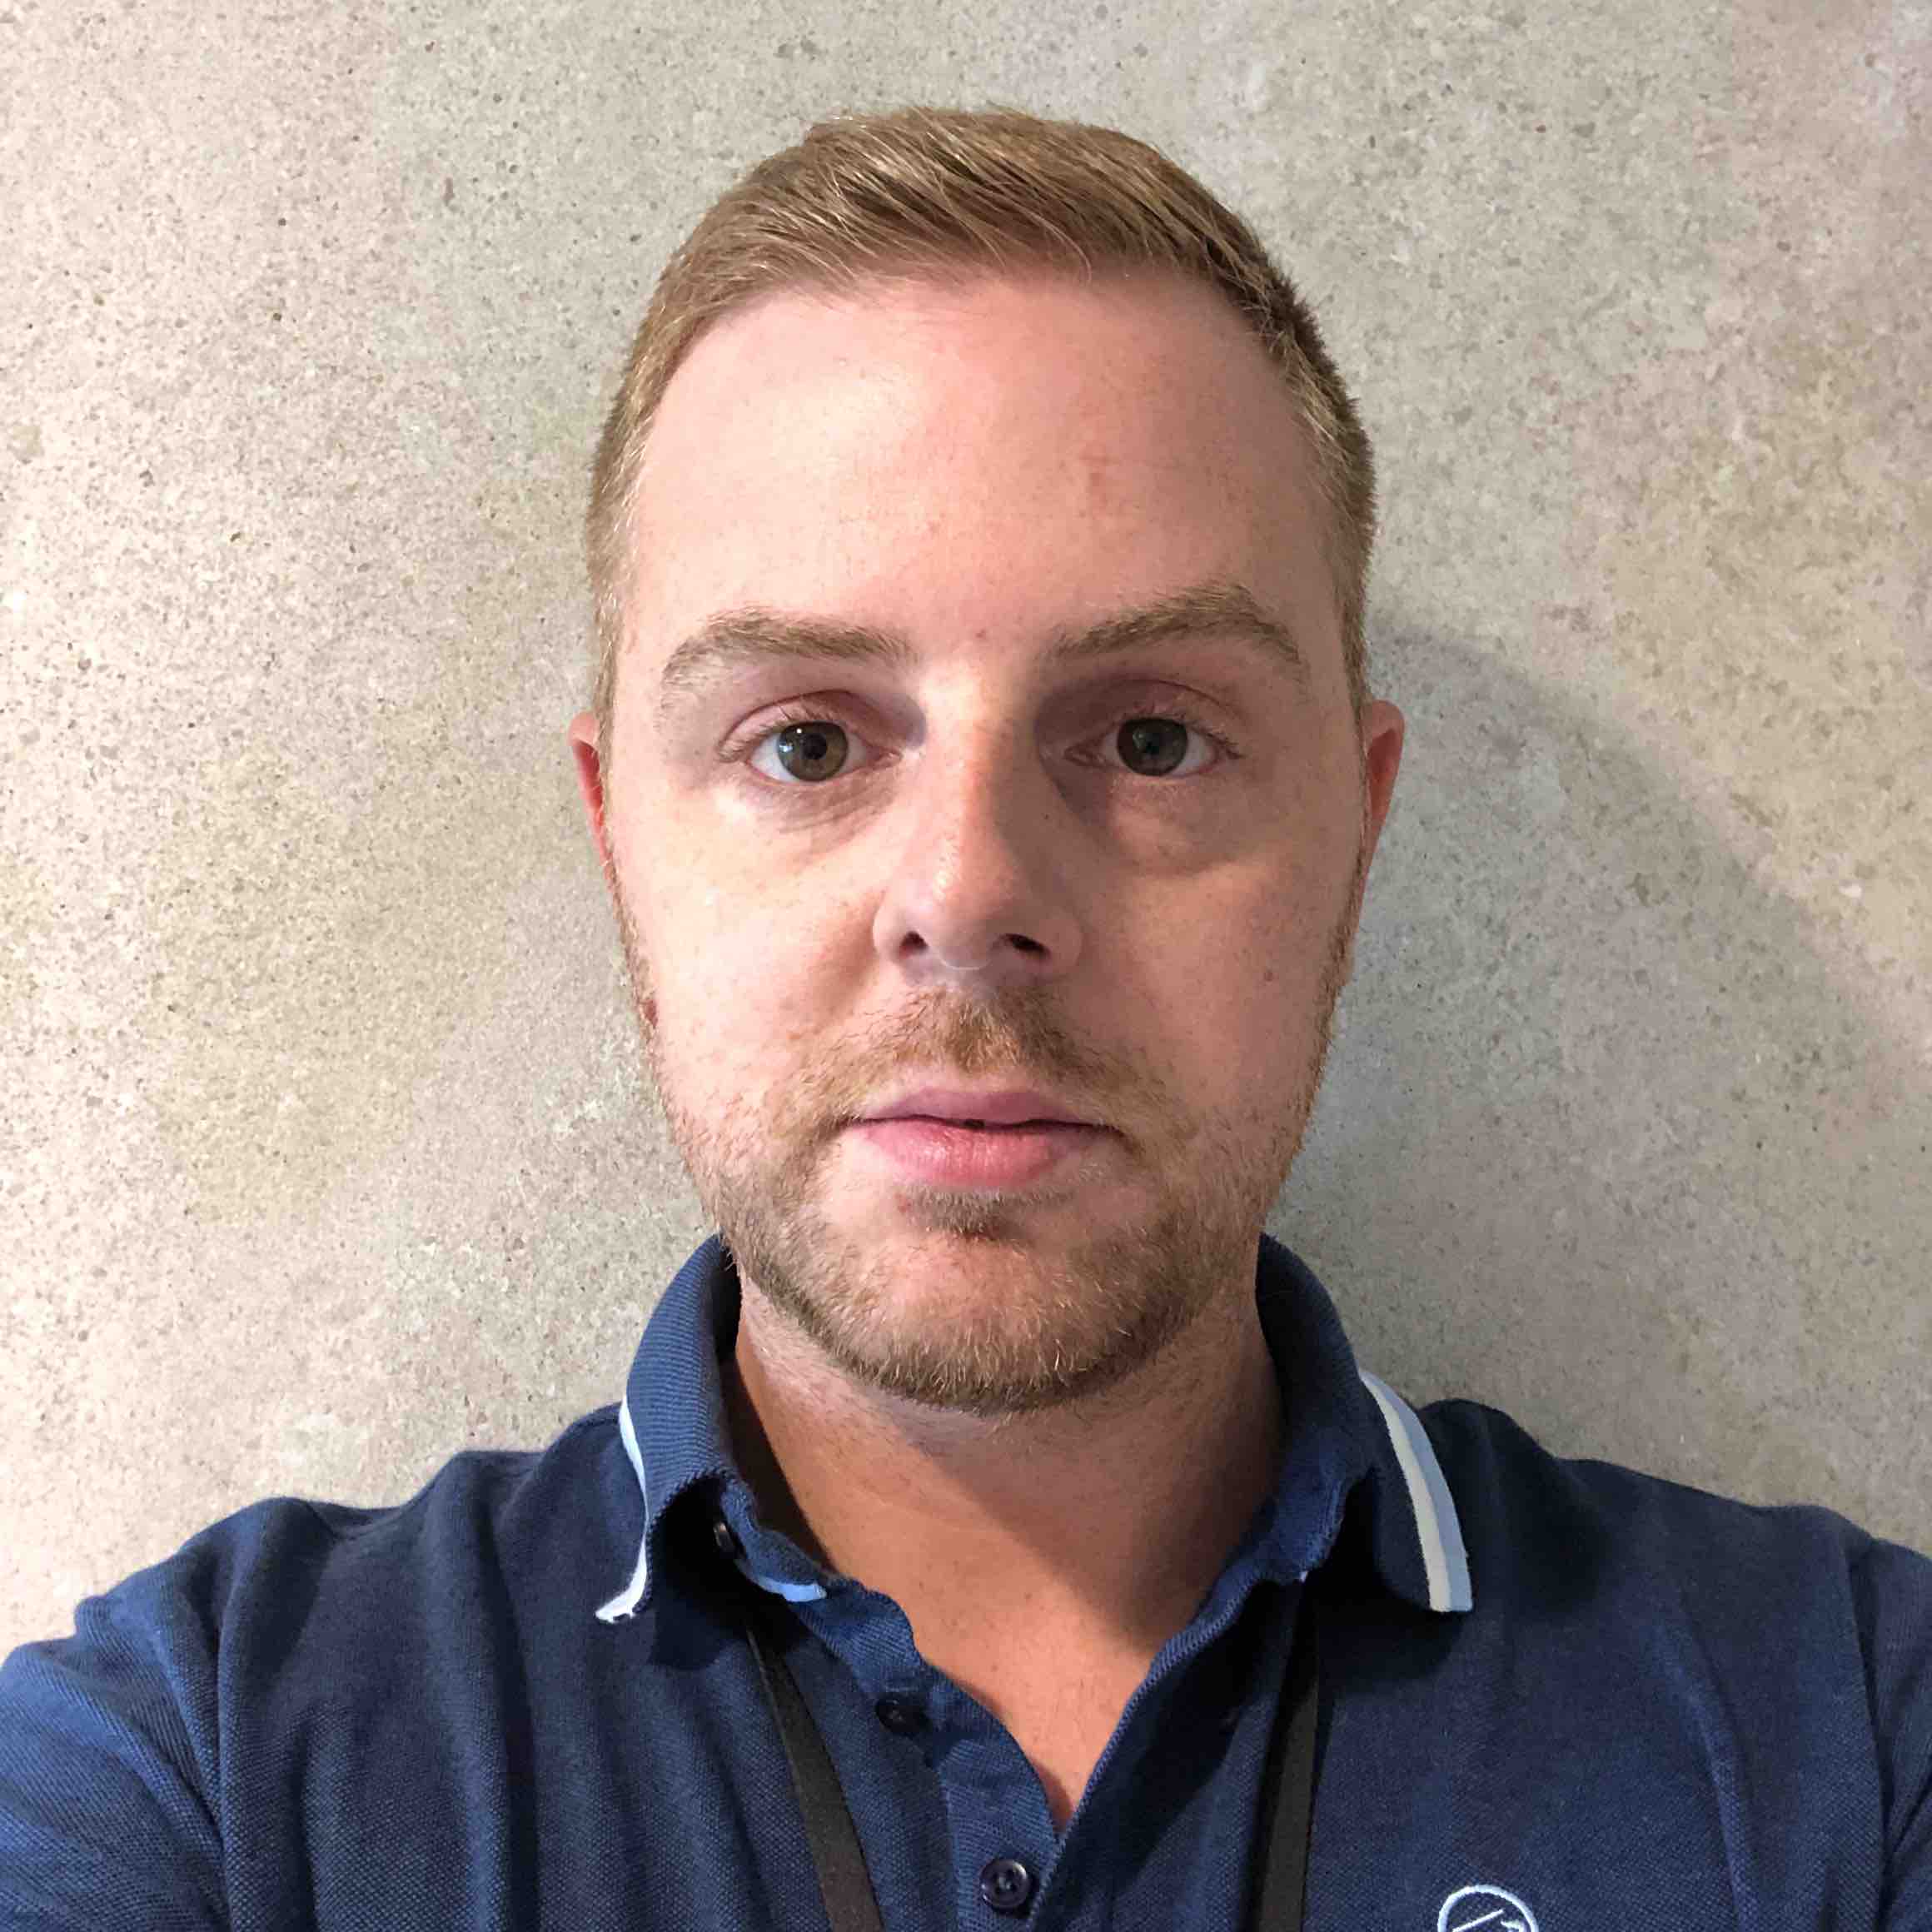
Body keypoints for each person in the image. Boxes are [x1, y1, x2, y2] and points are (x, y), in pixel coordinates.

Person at [2, 104, 1926, 1932]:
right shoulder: (207, 1767)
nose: (969, 890)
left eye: (1151, 737)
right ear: (617, 842)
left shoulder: (1848, 1731)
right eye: (806, 741)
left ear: (1354, 834)